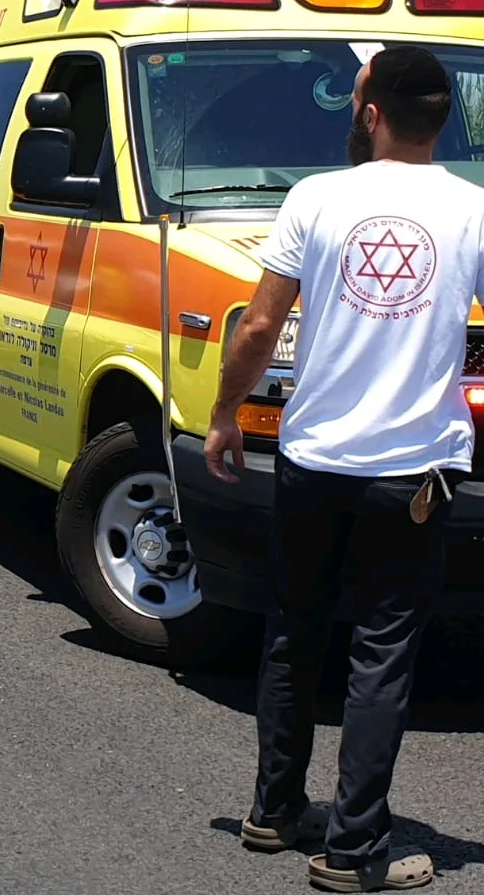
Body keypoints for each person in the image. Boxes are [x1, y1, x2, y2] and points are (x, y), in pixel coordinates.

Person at [204, 45, 477, 894]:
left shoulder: (314, 198)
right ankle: (354, 851)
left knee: (294, 631)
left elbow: (257, 327)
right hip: (412, 473)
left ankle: (274, 811)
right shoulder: (474, 211)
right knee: (382, 657)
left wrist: (223, 414)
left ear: (370, 113)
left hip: (312, 459)